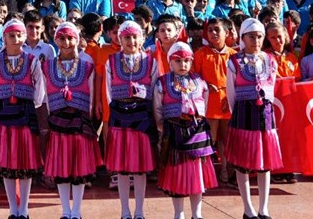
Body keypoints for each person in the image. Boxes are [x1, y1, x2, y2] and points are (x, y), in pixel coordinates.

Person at [0, 18, 45, 219]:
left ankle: (25, 209)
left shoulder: (32, 60)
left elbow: (39, 89)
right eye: (12, 35)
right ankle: (13, 208)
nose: (16, 38)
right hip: (4, 115)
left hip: (25, 115)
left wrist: (30, 104)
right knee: (8, 164)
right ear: (4, 37)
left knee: (25, 164)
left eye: (19, 34)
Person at [225, 19, 281, 219]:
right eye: (251, 36)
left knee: (264, 163)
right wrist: (238, 110)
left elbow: (271, 87)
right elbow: (230, 92)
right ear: (243, 38)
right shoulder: (234, 62)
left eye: (259, 36)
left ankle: (263, 208)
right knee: (243, 163)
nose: (255, 40)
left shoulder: (270, 59)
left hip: (265, 114)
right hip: (243, 112)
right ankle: (247, 208)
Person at [43, 22, 99, 219]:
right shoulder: (47, 65)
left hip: (79, 121)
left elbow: (92, 94)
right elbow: (44, 93)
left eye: (70, 38)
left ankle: (77, 210)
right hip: (58, 120)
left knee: (79, 168)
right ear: (56, 39)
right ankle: (66, 210)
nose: (66, 42)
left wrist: (89, 115)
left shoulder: (87, 64)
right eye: (62, 38)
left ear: (77, 39)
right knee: (61, 167)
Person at [154, 42, 216, 219]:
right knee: (177, 176)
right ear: (170, 62)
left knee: (197, 176)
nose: (183, 65)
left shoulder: (199, 81)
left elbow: (205, 102)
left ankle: (197, 214)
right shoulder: (162, 83)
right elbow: (157, 109)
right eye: (178, 61)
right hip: (174, 132)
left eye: (187, 61)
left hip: (197, 131)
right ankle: (178, 213)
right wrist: (163, 129)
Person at [105, 21, 157, 219]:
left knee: (140, 168)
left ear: (142, 38)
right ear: (120, 39)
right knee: (123, 169)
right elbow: (109, 91)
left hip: (142, 116)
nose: (132, 41)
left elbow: (152, 91)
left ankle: (140, 211)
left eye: (135, 37)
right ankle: (125, 210)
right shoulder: (111, 61)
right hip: (120, 115)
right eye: (127, 37)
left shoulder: (150, 61)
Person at [194, 18, 234, 184]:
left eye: (217, 29)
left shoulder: (234, 55)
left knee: (226, 139)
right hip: (208, 104)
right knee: (208, 139)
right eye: (210, 30)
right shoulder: (201, 54)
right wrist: (205, 85)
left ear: (227, 33)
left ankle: (226, 170)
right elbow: (194, 77)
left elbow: (238, 81)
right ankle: (206, 173)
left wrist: (230, 97)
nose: (213, 33)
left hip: (227, 104)